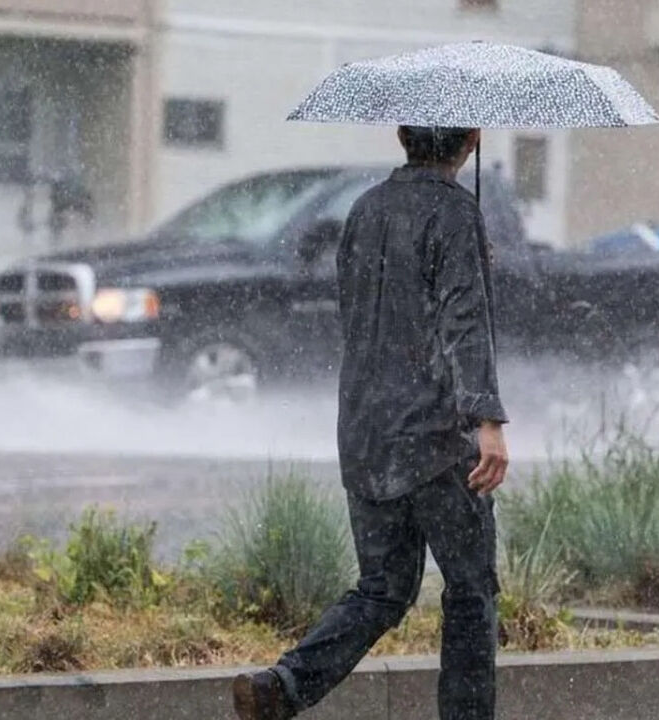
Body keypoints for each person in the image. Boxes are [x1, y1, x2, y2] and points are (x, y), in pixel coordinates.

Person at [231, 125, 510, 720]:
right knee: (470, 592)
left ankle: (283, 685)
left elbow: (366, 309)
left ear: (402, 135)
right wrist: (485, 417)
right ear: (473, 140)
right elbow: (462, 319)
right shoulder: (456, 213)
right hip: (437, 440)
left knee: (382, 589)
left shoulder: (364, 208)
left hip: (365, 431)